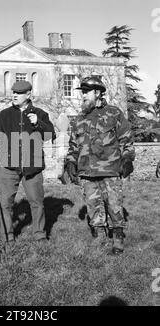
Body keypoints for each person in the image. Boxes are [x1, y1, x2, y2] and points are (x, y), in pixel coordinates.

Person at [64, 76, 135, 255]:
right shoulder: (79, 119)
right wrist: (70, 162)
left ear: (98, 93)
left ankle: (118, 236)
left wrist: (127, 159)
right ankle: (100, 236)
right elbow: (73, 146)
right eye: (83, 93)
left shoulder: (114, 113)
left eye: (86, 92)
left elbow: (126, 139)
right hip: (87, 171)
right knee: (93, 205)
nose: (83, 96)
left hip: (110, 169)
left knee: (114, 204)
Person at [0, 80, 55, 248]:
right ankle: (6, 236)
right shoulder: (3, 115)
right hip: (8, 168)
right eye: (13, 92)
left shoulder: (40, 114)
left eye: (18, 93)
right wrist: (1, 159)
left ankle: (39, 234)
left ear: (28, 95)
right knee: (5, 203)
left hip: (32, 167)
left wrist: (37, 123)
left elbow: (50, 135)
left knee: (37, 202)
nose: (14, 95)